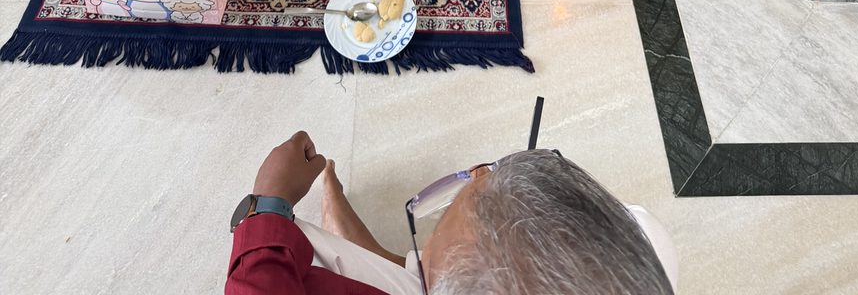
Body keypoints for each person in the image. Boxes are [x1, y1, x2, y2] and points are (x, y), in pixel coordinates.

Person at [225, 130, 677, 294]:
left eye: (429, 238)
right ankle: (360, 245)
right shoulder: (643, 247)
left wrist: (268, 205)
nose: (479, 173)